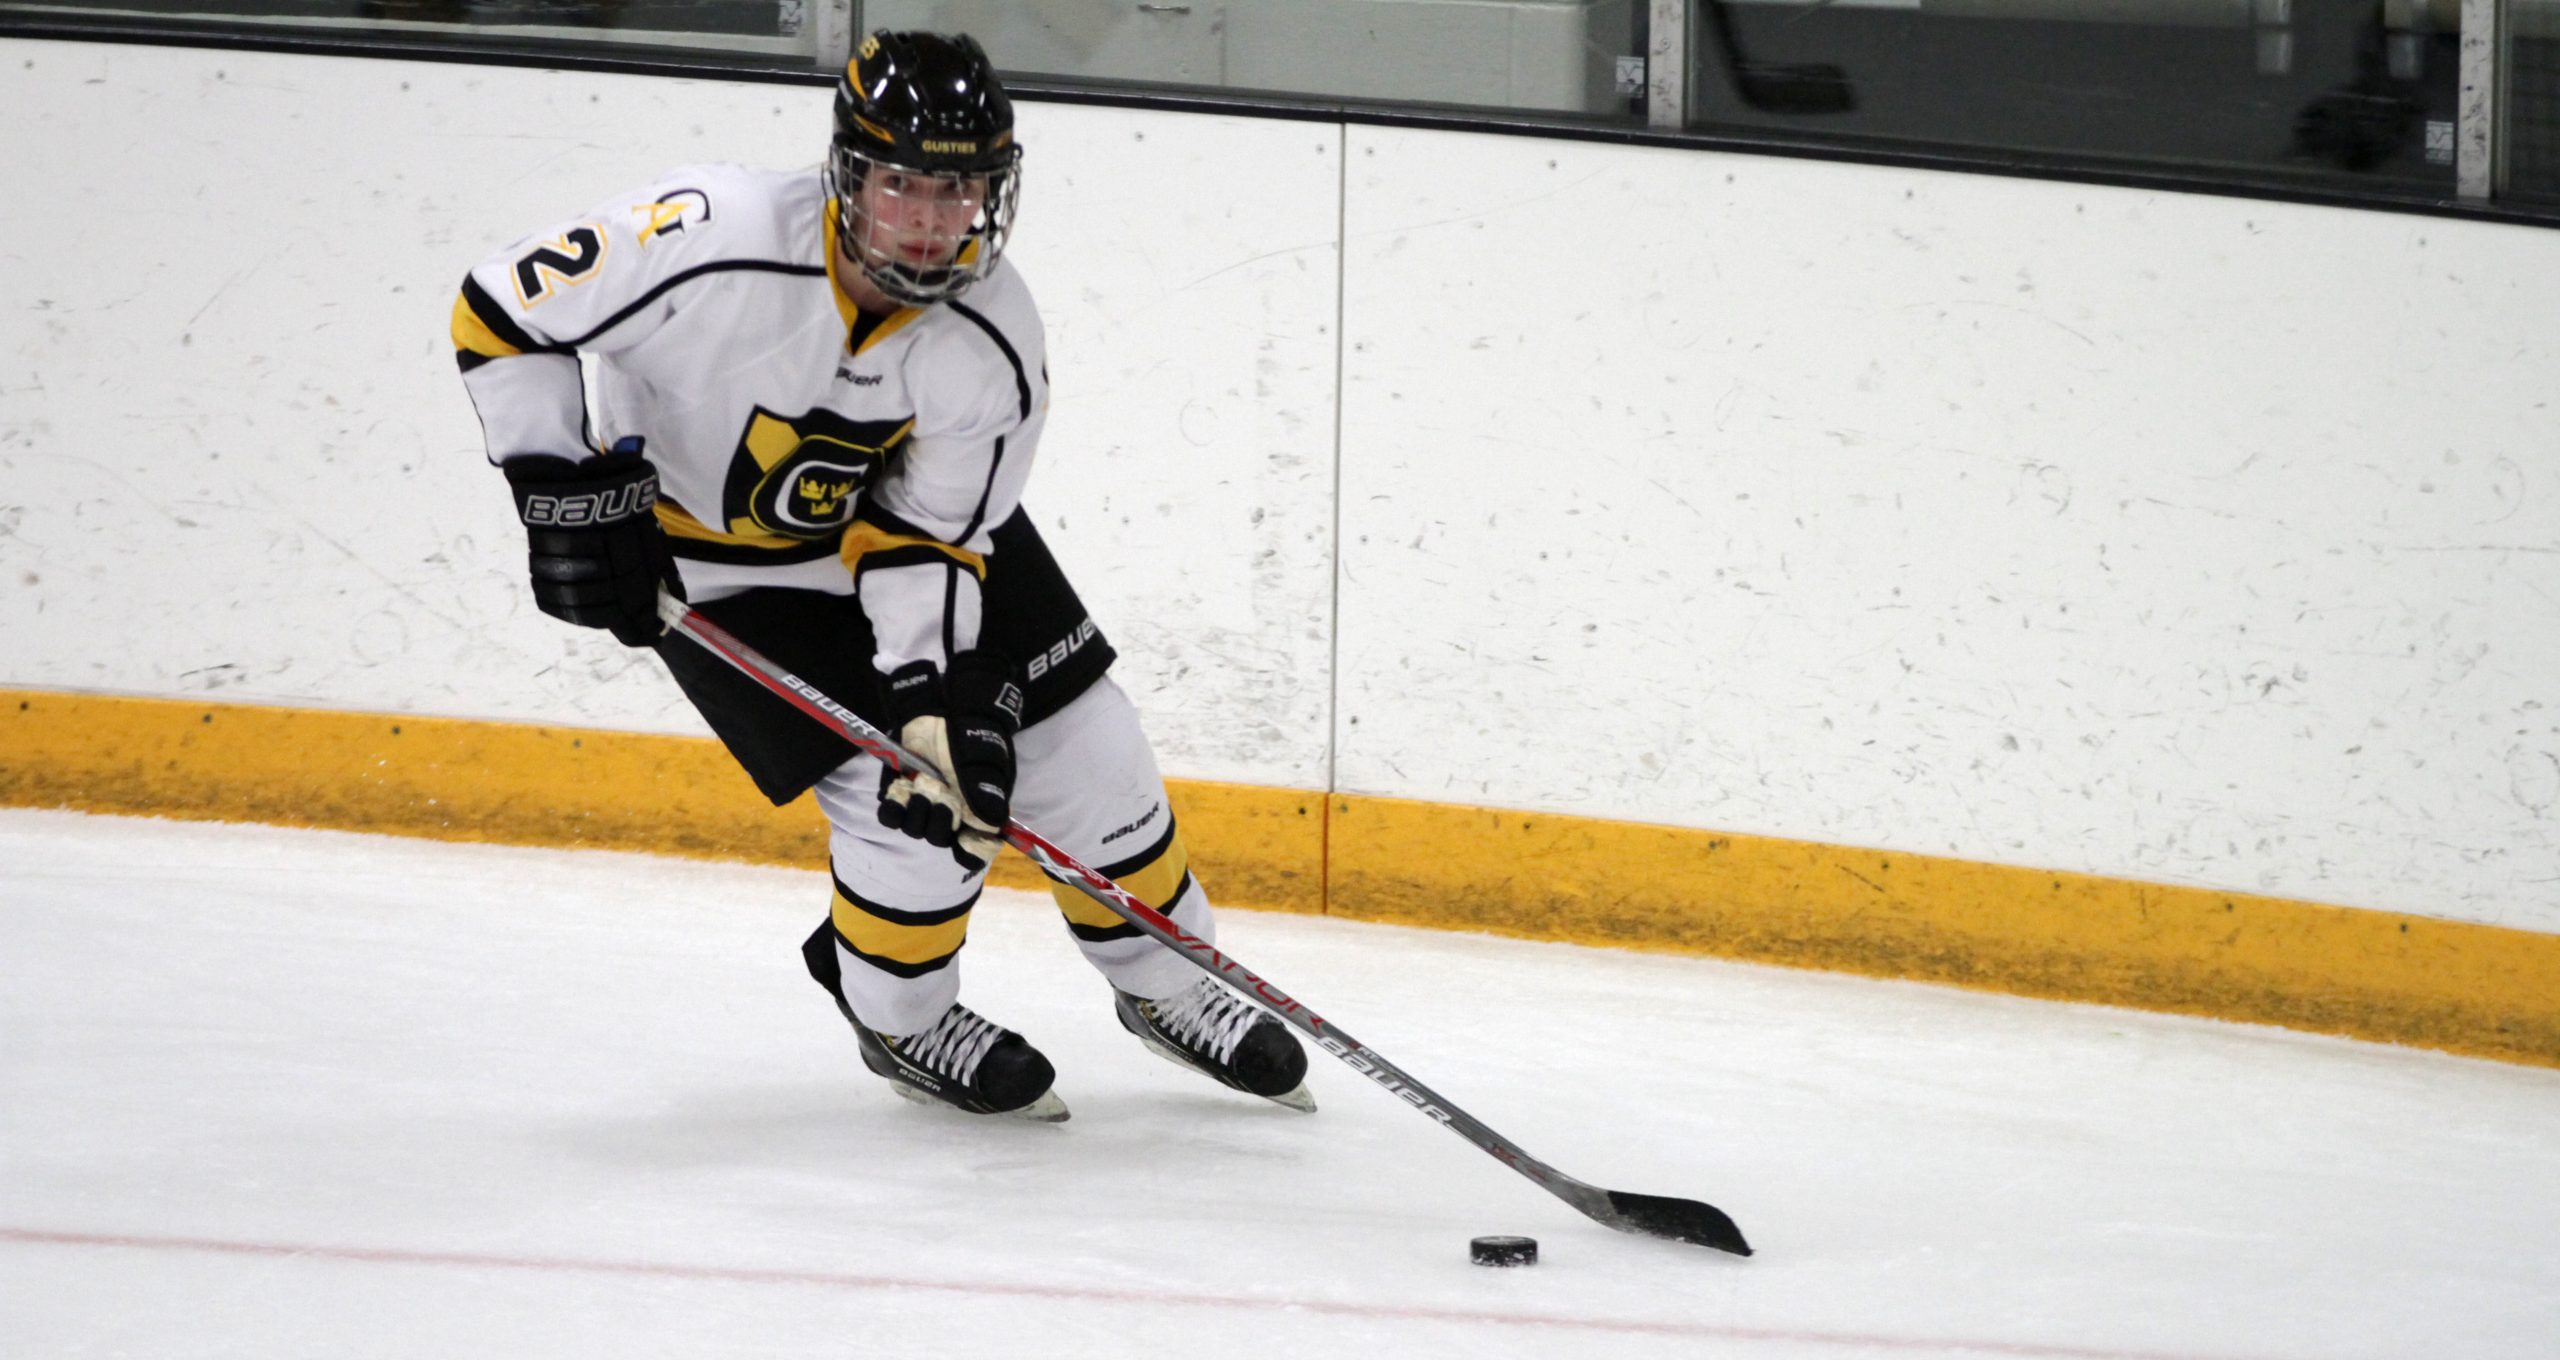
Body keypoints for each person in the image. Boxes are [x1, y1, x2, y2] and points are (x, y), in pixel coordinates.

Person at [450, 30, 1310, 1122]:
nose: (930, 218)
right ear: (847, 172)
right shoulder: (707, 237)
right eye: (902, 182)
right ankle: (900, 1021)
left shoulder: (992, 339)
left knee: (1088, 751)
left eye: (959, 190)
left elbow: (929, 537)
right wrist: (560, 488)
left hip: (904, 540)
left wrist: (927, 699)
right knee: (911, 824)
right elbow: (497, 306)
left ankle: (1169, 985)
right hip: (720, 573)